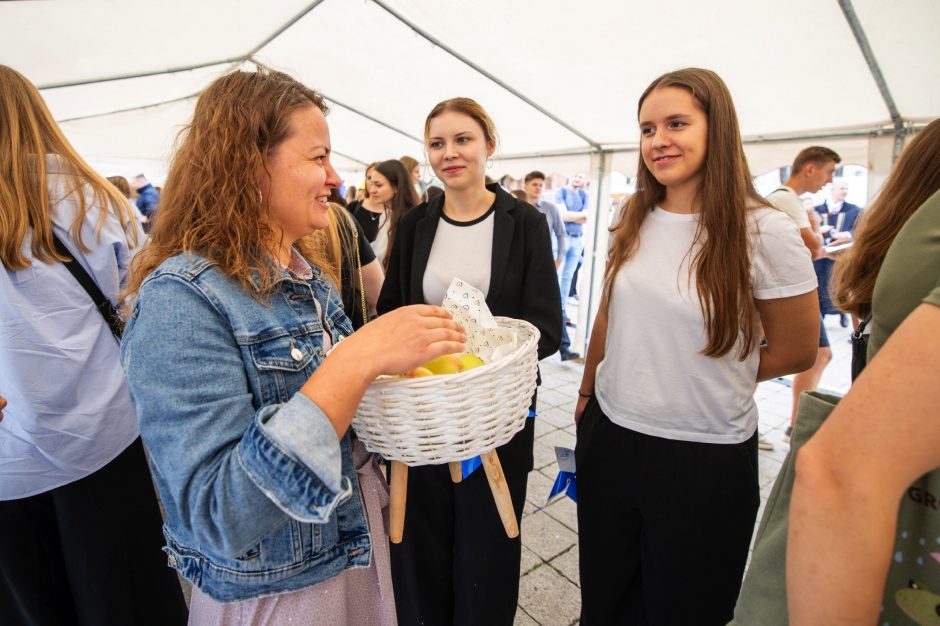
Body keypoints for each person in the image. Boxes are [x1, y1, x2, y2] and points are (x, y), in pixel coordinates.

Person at [120, 67, 466, 624]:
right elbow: (217, 513)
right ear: (251, 164)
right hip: (280, 594)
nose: (334, 177)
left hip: (353, 550)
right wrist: (357, 359)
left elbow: (345, 419)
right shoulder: (180, 302)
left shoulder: (307, 276)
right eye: (317, 156)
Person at [574, 68, 819, 625]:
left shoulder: (766, 231)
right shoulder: (629, 216)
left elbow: (797, 350)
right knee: (606, 599)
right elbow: (610, 315)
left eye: (677, 123)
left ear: (718, 128)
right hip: (612, 437)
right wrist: (587, 394)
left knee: (685, 609)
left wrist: (699, 374)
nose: (658, 140)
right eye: (647, 128)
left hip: (703, 456)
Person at [0, 64, 187, 625]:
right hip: (105, 433)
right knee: (126, 597)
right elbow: (145, 304)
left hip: (8, 459)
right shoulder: (89, 197)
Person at [377, 96, 562, 626]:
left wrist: (482, 361)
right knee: (421, 545)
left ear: (489, 145)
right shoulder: (415, 224)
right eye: (437, 143)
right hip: (423, 415)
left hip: (494, 417)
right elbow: (392, 310)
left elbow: (546, 329)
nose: (449, 153)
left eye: (463, 140)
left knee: (487, 547)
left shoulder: (524, 222)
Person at [787, 118, 940, 625]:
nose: (829, 181)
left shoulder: (898, 236)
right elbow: (838, 474)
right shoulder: (791, 203)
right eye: (828, 172)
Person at [766, 146, 841, 447]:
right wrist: (814, 227)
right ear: (809, 169)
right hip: (782, 292)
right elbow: (812, 247)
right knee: (818, 354)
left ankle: (795, 425)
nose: (828, 180)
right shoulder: (785, 199)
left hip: (782, 291)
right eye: (829, 172)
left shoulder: (783, 199)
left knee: (818, 355)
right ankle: (797, 427)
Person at [813, 178, 862, 328]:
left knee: (837, 283)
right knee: (819, 284)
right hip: (820, 254)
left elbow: (859, 228)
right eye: (842, 188)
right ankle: (819, 314)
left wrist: (847, 235)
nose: (845, 191)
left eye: (846, 189)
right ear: (832, 190)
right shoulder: (817, 209)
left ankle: (841, 313)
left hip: (840, 255)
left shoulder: (854, 209)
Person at [555, 172, 589, 360]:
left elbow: (587, 217)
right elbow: (564, 216)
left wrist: (573, 216)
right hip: (563, 241)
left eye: (581, 175)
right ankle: (562, 343)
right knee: (557, 285)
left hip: (577, 241)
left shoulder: (585, 195)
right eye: (574, 174)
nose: (577, 178)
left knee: (565, 286)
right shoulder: (561, 192)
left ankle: (563, 342)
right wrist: (580, 215)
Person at [367, 159, 420, 269]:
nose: (372, 190)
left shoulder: (412, 220)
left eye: (378, 185)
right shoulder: (385, 216)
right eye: (371, 184)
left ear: (396, 187)